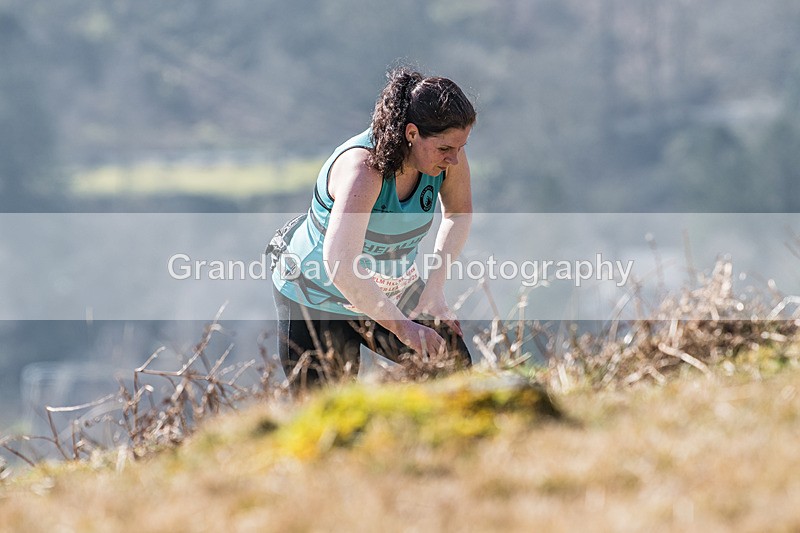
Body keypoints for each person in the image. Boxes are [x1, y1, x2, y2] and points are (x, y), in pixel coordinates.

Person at [269, 66, 476, 388]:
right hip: (317, 297)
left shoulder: (446, 160)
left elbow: (458, 213)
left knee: (455, 373)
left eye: (461, 147)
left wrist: (434, 291)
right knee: (326, 415)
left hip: (392, 286)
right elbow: (341, 266)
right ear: (411, 133)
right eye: (446, 149)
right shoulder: (363, 170)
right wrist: (404, 328)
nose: (454, 159)